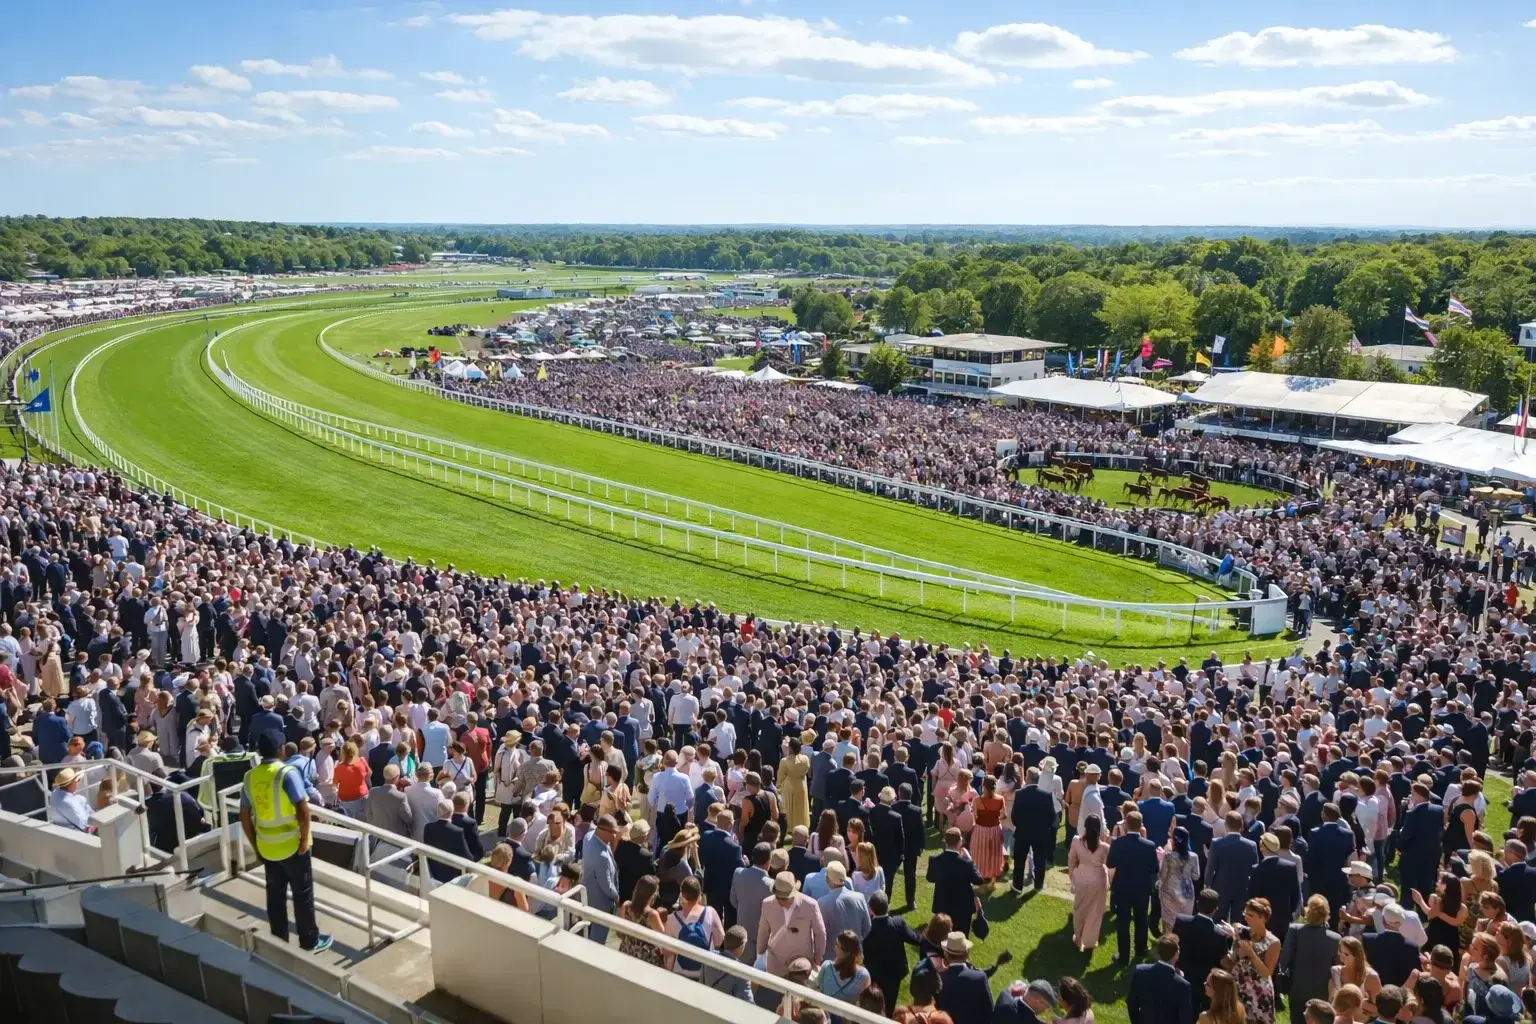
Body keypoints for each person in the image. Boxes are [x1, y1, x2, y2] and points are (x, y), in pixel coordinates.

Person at [238, 729, 332, 954]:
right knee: (302, 895)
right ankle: (309, 941)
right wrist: (302, 842)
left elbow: (244, 814)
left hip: (267, 847)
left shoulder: (250, 776)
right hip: (292, 847)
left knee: (275, 896)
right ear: (281, 750)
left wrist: (256, 844)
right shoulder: (286, 773)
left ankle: (278, 941)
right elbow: (303, 809)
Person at [1108, 809, 1161, 964]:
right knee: (1141, 919)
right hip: (1142, 889)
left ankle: (1123, 956)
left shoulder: (1118, 843)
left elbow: (1110, 863)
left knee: (1123, 921)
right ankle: (1140, 950)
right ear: (1141, 826)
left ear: (1126, 824)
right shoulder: (1149, 845)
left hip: (1122, 888)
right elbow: (1154, 868)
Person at [1281, 896, 1342, 1024]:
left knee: (1297, 1019)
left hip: (1298, 987)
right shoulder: (1335, 938)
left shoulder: (1295, 930)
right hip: (1322, 991)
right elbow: (1336, 966)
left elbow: (1285, 958)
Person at [757, 871, 827, 981]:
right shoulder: (767, 904)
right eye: (777, 897)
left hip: (801, 968)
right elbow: (763, 931)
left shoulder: (810, 905)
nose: (779, 901)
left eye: (784, 898)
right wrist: (760, 954)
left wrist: (817, 959)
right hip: (776, 965)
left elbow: (820, 933)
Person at [1176, 889, 1234, 1014]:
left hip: (1180, 979)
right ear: (1216, 909)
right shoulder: (1219, 935)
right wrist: (1233, 938)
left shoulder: (1180, 921)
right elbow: (1227, 963)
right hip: (1204, 987)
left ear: (1197, 903)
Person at [863, 891, 920, 1016]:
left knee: (875, 1003)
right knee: (890, 1003)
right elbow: (914, 938)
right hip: (895, 972)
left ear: (871, 910)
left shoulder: (867, 928)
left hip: (875, 974)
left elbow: (864, 952)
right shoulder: (898, 923)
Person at [927, 827, 987, 936]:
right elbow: (979, 880)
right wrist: (969, 859)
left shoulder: (934, 859)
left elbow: (930, 878)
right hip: (962, 909)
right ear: (960, 842)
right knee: (961, 938)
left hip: (942, 905)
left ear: (945, 841)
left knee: (942, 937)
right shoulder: (966, 863)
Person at [665, 875, 724, 980]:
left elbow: (667, 952)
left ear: (681, 895)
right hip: (704, 974)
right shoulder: (710, 912)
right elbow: (720, 939)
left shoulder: (671, 919)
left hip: (680, 974)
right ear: (700, 894)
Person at [1231, 897, 1280, 1024]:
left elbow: (1266, 972)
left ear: (1262, 918)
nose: (1246, 917)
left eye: (1250, 915)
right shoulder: (1241, 932)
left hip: (1259, 992)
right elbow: (1233, 959)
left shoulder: (1273, 942)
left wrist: (1251, 954)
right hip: (1239, 986)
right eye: (1245, 913)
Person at [1249, 832, 1302, 946]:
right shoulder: (1290, 867)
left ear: (1262, 847)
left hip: (1261, 919)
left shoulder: (1257, 869)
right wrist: (1289, 913)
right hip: (1283, 919)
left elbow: (1252, 897)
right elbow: (1295, 895)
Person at [1129, 934, 1195, 1024]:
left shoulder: (1140, 971)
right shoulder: (1183, 985)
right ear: (1176, 954)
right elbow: (1185, 1019)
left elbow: (1131, 1003)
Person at [1208, 812, 1260, 922]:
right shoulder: (1251, 845)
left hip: (1221, 887)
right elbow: (1255, 869)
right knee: (1239, 920)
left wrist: (1207, 885)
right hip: (1242, 888)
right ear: (1241, 826)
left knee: (1219, 920)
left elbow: (1211, 867)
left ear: (1225, 825)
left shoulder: (1217, 843)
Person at [1011, 769, 1057, 893]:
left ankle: (1017, 886)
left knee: (1019, 860)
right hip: (1040, 834)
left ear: (1028, 777)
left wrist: (1021, 826)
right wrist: (1043, 828)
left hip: (1023, 833)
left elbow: (1014, 816)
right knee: (1040, 859)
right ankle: (1039, 884)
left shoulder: (1020, 793)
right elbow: (1052, 816)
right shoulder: (1046, 795)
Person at [1069, 812, 1110, 951]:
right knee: (1095, 911)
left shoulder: (1076, 841)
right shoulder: (1105, 847)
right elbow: (1109, 865)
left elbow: (1071, 860)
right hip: (1099, 880)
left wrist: (1072, 876)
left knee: (1079, 908)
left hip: (1081, 878)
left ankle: (1079, 938)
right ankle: (1089, 940)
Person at [933, 931, 991, 1024]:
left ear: (946, 954)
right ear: (967, 954)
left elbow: (934, 1011)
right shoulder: (980, 978)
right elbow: (988, 1012)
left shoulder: (938, 979)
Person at [580, 813, 620, 943]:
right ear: (603, 830)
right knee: (597, 939)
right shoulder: (602, 856)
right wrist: (616, 897)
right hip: (601, 903)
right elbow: (607, 885)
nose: (615, 836)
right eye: (613, 832)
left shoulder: (588, 836)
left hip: (589, 896)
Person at [730, 841, 773, 958]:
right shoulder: (771, 885)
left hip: (741, 935)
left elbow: (733, 900)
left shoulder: (738, 873)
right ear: (769, 861)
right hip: (760, 940)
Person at [813, 931, 870, 1013]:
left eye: (837, 944)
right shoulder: (864, 975)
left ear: (844, 951)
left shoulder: (826, 967)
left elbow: (819, 991)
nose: (835, 946)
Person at [1159, 825, 1202, 934]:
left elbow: (1162, 875)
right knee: (1185, 920)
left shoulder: (1169, 856)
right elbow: (1196, 876)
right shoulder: (1194, 856)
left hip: (1169, 891)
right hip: (1187, 892)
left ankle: (1168, 944)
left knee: (1168, 921)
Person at [422, 799, 474, 884]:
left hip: (432, 871)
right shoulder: (457, 832)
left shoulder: (428, 828)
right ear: (452, 812)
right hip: (452, 875)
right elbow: (467, 856)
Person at [48, 766, 93, 832]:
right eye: (78, 780)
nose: (78, 782)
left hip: (62, 829)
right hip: (76, 835)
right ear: (72, 783)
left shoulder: (55, 792)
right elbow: (85, 826)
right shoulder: (68, 803)